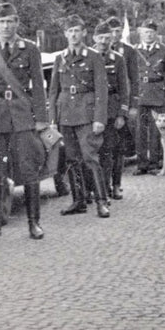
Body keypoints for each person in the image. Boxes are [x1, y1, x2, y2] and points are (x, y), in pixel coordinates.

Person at [0, 2, 48, 240]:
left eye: (10, 21)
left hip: (22, 116)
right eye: (1, 22)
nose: (6, 26)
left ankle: (33, 223)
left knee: (28, 170)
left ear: (17, 23)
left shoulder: (30, 49)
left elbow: (38, 86)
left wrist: (41, 119)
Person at [51, 15, 110, 218]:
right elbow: (53, 91)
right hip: (66, 114)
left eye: (77, 30)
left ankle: (102, 201)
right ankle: (78, 200)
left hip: (87, 113)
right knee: (71, 159)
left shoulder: (93, 57)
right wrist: (53, 119)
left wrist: (100, 118)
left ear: (84, 33)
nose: (73, 35)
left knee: (90, 158)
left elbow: (102, 90)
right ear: (65, 34)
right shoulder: (60, 58)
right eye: (70, 31)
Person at [132, 19, 165, 175]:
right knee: (140, 131)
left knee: (157, 130)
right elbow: (130, 76)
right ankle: (142, 163)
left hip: (158, 93)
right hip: (141, 94)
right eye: (145, 32)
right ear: (140, 33)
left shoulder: (164, 51)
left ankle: (155, 162)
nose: (148, 35)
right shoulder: (134, 50)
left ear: (156, 34)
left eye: (151, 32)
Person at [92, 20, 129, 199]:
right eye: (101, 38)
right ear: (94, 38)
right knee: (93, 152)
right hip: (91, 110)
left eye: (107, 38)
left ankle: (112, 186)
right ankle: (95, 189)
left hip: (112, 110)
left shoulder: (118, 59)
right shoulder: (89, 56)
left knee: (111, 150)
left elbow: (124, 88)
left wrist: (122, 113)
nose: (104, 41)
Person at [103, 16, 137, 193]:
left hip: (118, 105)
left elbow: (133, 81)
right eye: (111, 32)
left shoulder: (128, 52)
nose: (115, 35)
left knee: (117, 148)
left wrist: (131, 106)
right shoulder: (95, 51)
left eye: (117, 31)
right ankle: (101, 185)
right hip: (99, 108)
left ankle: (116, 184)